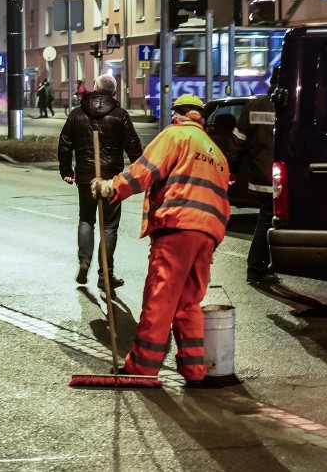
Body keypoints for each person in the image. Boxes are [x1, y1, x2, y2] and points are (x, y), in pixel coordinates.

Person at [91, 94, 230, 384]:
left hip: (178, 227)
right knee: (188, 304)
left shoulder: (175, 136)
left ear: (176, 115)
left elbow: (143, 172)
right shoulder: (216, 152)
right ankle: (194, 370)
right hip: (208, 234)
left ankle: (142, 367)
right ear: (201, 118)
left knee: (160, 298)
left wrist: (108, 188)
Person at [58, 74, 142, 289]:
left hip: (86, 177)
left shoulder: (77, 113)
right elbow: (133, 145)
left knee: (86, 220)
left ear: (94, 88)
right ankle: (106, 274)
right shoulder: (120, 115)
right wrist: (138, 171)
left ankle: (84, 261)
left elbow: (64, 144)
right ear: (114, 92)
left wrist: (67, 170)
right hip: (112, 179)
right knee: (110, 226)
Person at [227, 81, 278, 285]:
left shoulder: (254, 106)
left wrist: (233, 169)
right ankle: (256, 268)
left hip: (260, 175)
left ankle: (259, 267)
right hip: (281, 178)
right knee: (269, 221)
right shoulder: (290, 104)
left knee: (265, 221)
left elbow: (237, 141)